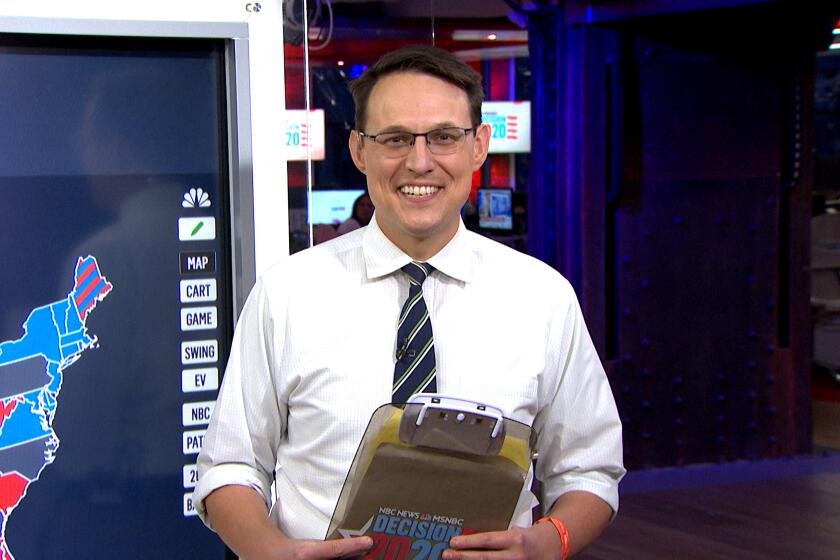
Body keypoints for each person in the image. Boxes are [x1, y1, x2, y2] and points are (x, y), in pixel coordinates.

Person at [194, 44, 624, 559]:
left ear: (479, 146)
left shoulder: (543, 298)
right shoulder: (286, 294)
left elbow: (588, 470)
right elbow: (230, 467)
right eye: (395, 139)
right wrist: (272, 553)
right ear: (358, 150)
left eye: (444, 137)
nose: (420, 163)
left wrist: (545, 545)